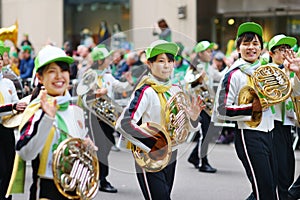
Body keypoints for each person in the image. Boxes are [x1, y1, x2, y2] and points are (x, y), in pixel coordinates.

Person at [213, 21, 300, 200]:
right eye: (246, 43)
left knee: (273, 188)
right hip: (249, 135)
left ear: (261, 48)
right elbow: (221, 110)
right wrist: (252, 109)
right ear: (238, 48)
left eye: (255, 44)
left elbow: (291, 91)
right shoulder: (233, 74)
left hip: (270, 133)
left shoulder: (266, 71)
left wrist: (297, 74)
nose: (251, 47)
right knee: (265, 191)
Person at [116, 40, 203, 200]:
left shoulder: (175, 88)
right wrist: (154, 143)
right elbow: (124, 123)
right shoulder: (145, 90)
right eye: (161, 61)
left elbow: (184, 128)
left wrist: (193, 118)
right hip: (149, 154)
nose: (167, 65)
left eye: (170, 61)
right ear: (149, 64)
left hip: (172, 153)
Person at [15, 45, 93, 199]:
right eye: (52, 71)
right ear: (40, 77)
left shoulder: (75, 110)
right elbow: (25, 153)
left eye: (63, 70)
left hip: (75, 186)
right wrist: (47, 118)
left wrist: (86, 146)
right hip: (47, 189)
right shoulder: (36, 110)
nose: (59, 76)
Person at [82, 44, 134, 193]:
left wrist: (129, 82)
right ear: (100, 60)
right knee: (99, 149)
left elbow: (119, 87)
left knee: (107, 145)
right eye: (107, 58)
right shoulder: (89, 75)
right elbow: (82, 97)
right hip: (94, 118)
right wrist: (96, 94)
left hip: (108, 118)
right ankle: (101, 179)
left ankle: (95, 176)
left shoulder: (108, 75)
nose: (110, 60)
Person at [186, 40, 228, 173]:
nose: (211, 53)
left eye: (211, 51)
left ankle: (194, 157)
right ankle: (202, 162)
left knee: (207, 134)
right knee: (205, 134)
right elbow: (188, 86)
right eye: (208, 51)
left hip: (208, 106)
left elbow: (220, 76)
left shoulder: (209, 66)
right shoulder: (195, 67)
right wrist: (197, 81)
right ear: (200, 53)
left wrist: (229, 66)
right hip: (200, 106)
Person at [267, 34, 298, 200]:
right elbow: (277, 91)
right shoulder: (268, 71)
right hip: (274, 125)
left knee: (287, 171)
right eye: (281, 49)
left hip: (288, 125)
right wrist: (287, 70)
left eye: (288, 49)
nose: (286, 52)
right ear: (271, 54)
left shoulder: (292, 71)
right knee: (280, 176)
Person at [0, 42, 27, 200]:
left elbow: (17, 104)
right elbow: (11, 106)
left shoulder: (9, 83)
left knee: (10, 167)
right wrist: (12, 106)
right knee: (1, 169)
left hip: (7, 130)